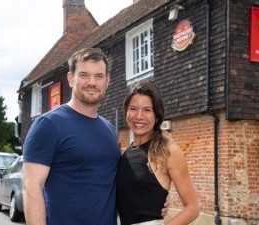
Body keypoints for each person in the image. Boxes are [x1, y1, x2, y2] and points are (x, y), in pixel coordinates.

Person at [22, 47, 121, 225]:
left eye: (99, 76)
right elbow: (31, 188)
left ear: (107, 81)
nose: (92, 82)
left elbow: (113, 184)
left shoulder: (109, 129)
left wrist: (154, 200)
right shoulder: (48, 125)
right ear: (70, 79)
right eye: (84, 75)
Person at [116, 82, 200, 225]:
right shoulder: (124, 155)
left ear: (157, 115)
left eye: (147, 110)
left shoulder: (168, 151)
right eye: (133, 109)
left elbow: (192, 208)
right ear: (126, 113)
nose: (139, 116)